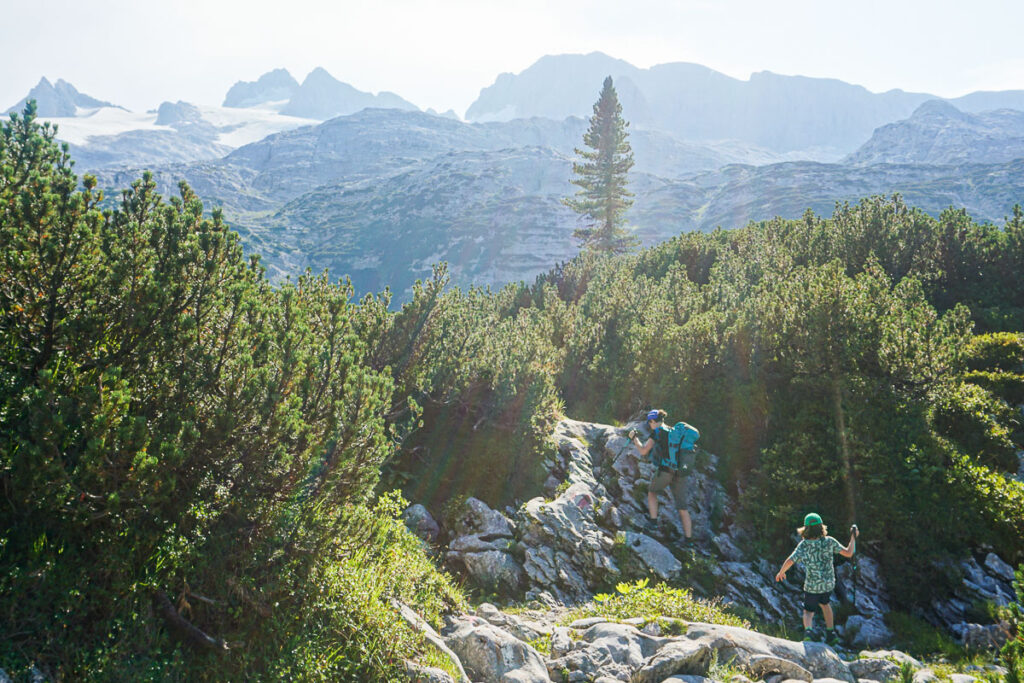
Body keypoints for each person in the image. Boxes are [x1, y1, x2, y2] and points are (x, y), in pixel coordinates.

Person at [775, 512, 859, 645]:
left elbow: (791, 560)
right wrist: (853, 537)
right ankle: (830, 634)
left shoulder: (804, 545)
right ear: (821, 527)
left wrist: (781, 572)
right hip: (828, 584)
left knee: (808, 611)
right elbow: (849, 553)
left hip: (812, 586)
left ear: (805, 529)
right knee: (825, 605)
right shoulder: (829, 541)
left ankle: (808, 632)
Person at [629, 409, 693, 546]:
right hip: (681, 473)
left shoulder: (657, 432)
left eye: (649, 423)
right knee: (682, 507)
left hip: (666, 471)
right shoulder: (673, 431)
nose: (649, 425)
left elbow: (644, 451)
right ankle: (689, 541)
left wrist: (634, 439)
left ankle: (653, 522)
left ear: (653, 421)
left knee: (652, 492)